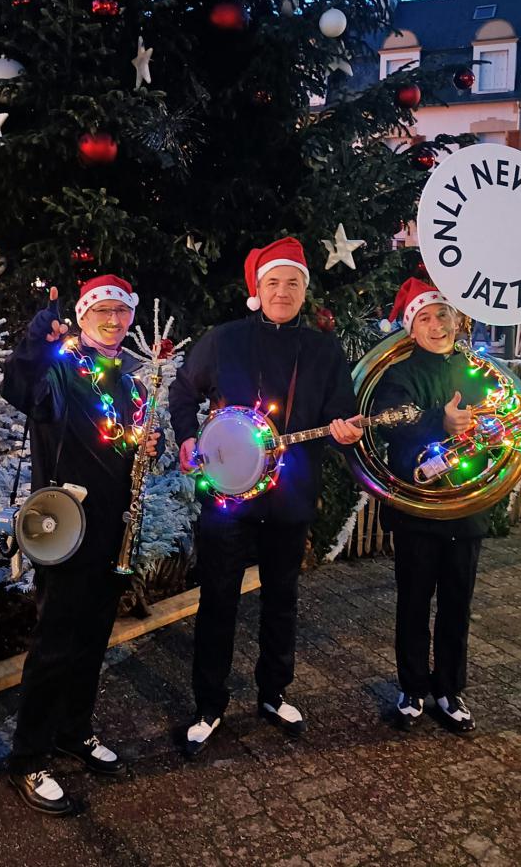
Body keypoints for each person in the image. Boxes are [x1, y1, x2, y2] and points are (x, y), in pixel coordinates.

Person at [169, 237, 364, 757]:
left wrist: (347, 429)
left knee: (282, 597)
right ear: (257, 289)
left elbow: (342, 409)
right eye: (273, 282)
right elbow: (183, 392)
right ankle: (209, 705)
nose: (283, 291)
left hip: (292, 493)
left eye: (293, 283)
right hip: (228, 495)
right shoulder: (225, 339)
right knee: (219, 600)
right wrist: (188, 437)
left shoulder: (324, 349)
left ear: (304, 290)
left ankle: (274, 693)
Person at [1, 274, 159, 815]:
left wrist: (148, 448)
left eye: (121, 312)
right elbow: (19, 389)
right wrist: (38, 339)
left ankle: (74, 731)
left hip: (112, 533)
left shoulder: (133, 385)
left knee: (92, 639)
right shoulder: (63, 371)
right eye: (102, 311)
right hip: (65, 529)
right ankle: (28, 758)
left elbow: (127, 448)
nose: (112, 320)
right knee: (55, 643)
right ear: (84, 316)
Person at [372, 277, 521, 736]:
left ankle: (449, 690)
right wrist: (439, 420)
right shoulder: (398, 374)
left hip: (466, 508)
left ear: (457, 319)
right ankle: (411, 689)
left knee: (456, 603)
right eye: (425, 318)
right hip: (418, 508)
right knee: (413, 602)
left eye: (443, 315)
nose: (436, 325)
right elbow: (391, 421)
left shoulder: (479, 372)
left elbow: (499, 422)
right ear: (412, 329)